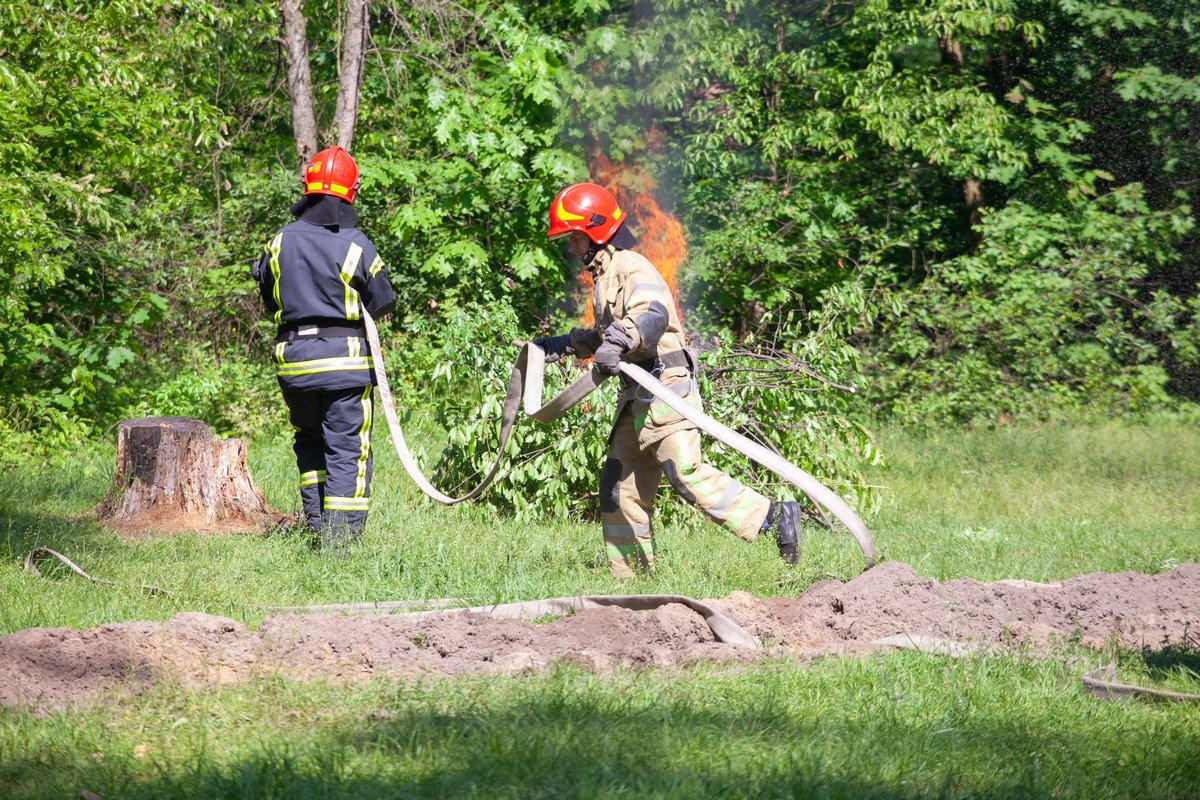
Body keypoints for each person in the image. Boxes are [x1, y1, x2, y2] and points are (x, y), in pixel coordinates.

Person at [534, 182, 804, 578]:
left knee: (685, 473)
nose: (572, 248)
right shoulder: (606, 275)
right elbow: (608, 333)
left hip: (665, 388)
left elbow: (652, 315)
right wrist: (563, 344)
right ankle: (631, 578)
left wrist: (619, 342)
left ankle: (774, 516)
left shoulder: (631, 267)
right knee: (618, 485)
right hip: (635, 397)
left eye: (574, 238)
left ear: (596, 231)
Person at [252, 146, 395, 553]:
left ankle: (317, 527)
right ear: (352, 191)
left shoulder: (279, 241)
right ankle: (340, 543)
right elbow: (383, 301)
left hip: (293, 364)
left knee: (311, 441)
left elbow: (269, 296)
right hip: (345, 364)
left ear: (308, 188)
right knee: (348, 449)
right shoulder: (356, 244)